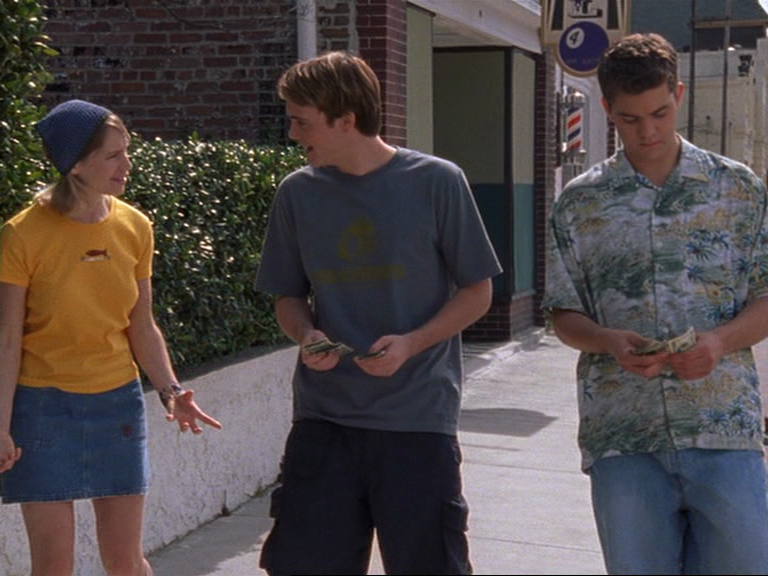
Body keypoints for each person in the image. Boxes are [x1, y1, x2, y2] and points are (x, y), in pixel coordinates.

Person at [254, 51, 502, 575]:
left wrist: (412, 343)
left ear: (346, 119)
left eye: (302, 122)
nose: (293, 135)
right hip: (324, 423)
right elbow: (287, 297)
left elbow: (477, 292)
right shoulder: (297, 193)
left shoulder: (437, 181)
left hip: (417, 423)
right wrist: (306, 334)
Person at [543, 32, 768, 574]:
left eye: (659, 114)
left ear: (679, 95)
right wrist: (607, 341)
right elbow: (563, 313)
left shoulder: (739, 190)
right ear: (607, 109)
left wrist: (719, 342)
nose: (647, 132)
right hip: (624, 434)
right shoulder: (579, 203)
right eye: (630, 119)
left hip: (722, 426)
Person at [0, 99, 222, 576]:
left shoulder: (135, 226)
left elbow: (142, 324)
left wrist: (172, 391)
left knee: (126, 563)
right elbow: (7, 340)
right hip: (41, 409)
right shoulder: (22, 235)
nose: (127, 164)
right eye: (113, 155)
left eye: (127, 151)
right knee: (53, 566)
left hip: (116, 405)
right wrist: (1, 425)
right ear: (76, 164)